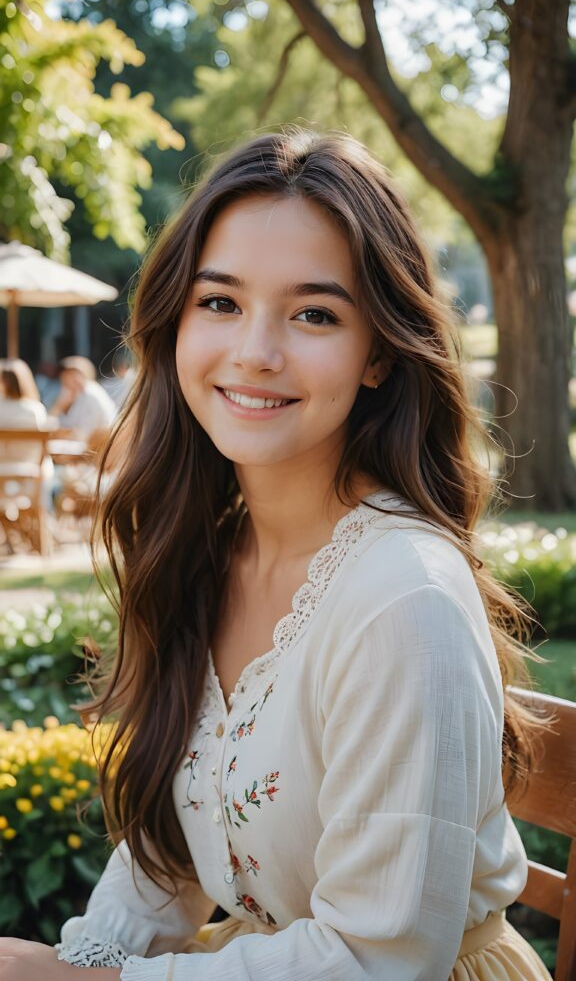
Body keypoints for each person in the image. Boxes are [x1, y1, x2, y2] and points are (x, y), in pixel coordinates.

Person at [0, 130, 553, 980]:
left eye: (314, 314)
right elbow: (167, 859)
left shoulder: (404, 600)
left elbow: (380, 958)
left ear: (377, 354)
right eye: (219, 302)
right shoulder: (210, 553)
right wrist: (80, 960)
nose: (255, 351)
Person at [49, 356, 116, 439]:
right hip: (80, 446)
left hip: (98, 448)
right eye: (65, 374)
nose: (68, 378)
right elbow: (52, 426)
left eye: (74, 374)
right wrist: (59, 406)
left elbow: (83, 435)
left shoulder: (91, 394)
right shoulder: (71, 394)